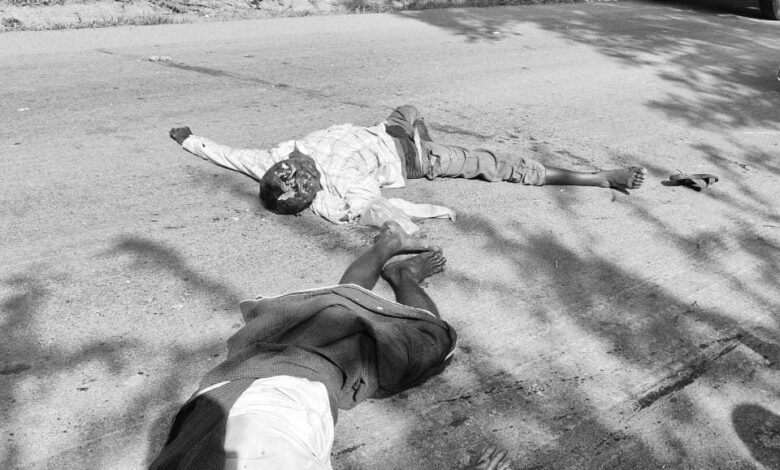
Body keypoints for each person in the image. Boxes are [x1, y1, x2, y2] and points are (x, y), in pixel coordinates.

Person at [149, 221, 517, 470]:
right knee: (339, 312)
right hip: (237, 379)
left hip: (286, 387)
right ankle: (389, 253)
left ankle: (400, 270)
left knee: (433, 344)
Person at [169, 105, 647, 231]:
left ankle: (418, 130)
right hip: (415, 159)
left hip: (389, 129)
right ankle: (600, 177)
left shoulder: (269, 161)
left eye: (288, 169)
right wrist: (425, 215)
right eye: (300, 180)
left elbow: (226, 154)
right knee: (507, 167)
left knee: (410, 109)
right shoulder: (340, 189)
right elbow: (377, 209)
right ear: (309, 189)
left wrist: (189, 139)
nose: (294, 168)